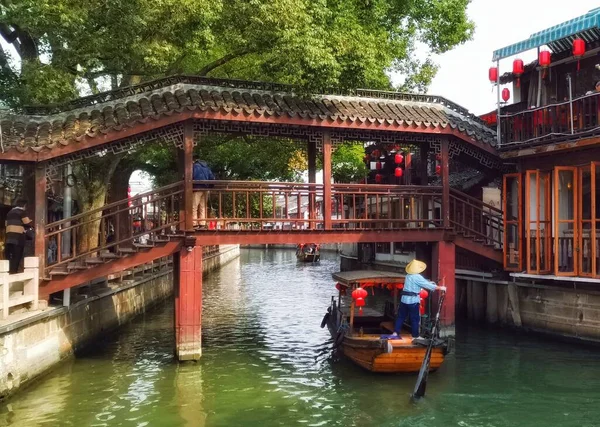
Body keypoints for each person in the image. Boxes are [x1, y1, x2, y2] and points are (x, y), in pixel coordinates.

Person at [392, 259, 446, 340]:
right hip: (413, 301)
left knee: (401, 317)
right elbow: (428, 285)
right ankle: (415, 336)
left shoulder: (408, 276)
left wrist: (428, 283)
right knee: (415, 319)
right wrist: (440, 287)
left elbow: (422, 283)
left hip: (404, 300)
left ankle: (395, 333)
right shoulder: (417, 277)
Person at [4, 199, 33, 274]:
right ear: (24, 205)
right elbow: (27, 223)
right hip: (18, 237)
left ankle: (8, 271)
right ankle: (14, 272)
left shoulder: (9, 213)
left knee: (9, 255)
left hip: (9, 237)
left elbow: (6, 224)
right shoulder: (22, 212)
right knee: (17, 255)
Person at [192, 155, 215, 228]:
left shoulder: (194, 166)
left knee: (194, 206)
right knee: (203, 206)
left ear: (194, 160)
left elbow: (191, 176)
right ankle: (202, 223)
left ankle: (194, 223)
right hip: (205, 189)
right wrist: (210, 187)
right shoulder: (206, 167)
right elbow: (212, 178)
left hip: (197, 188)